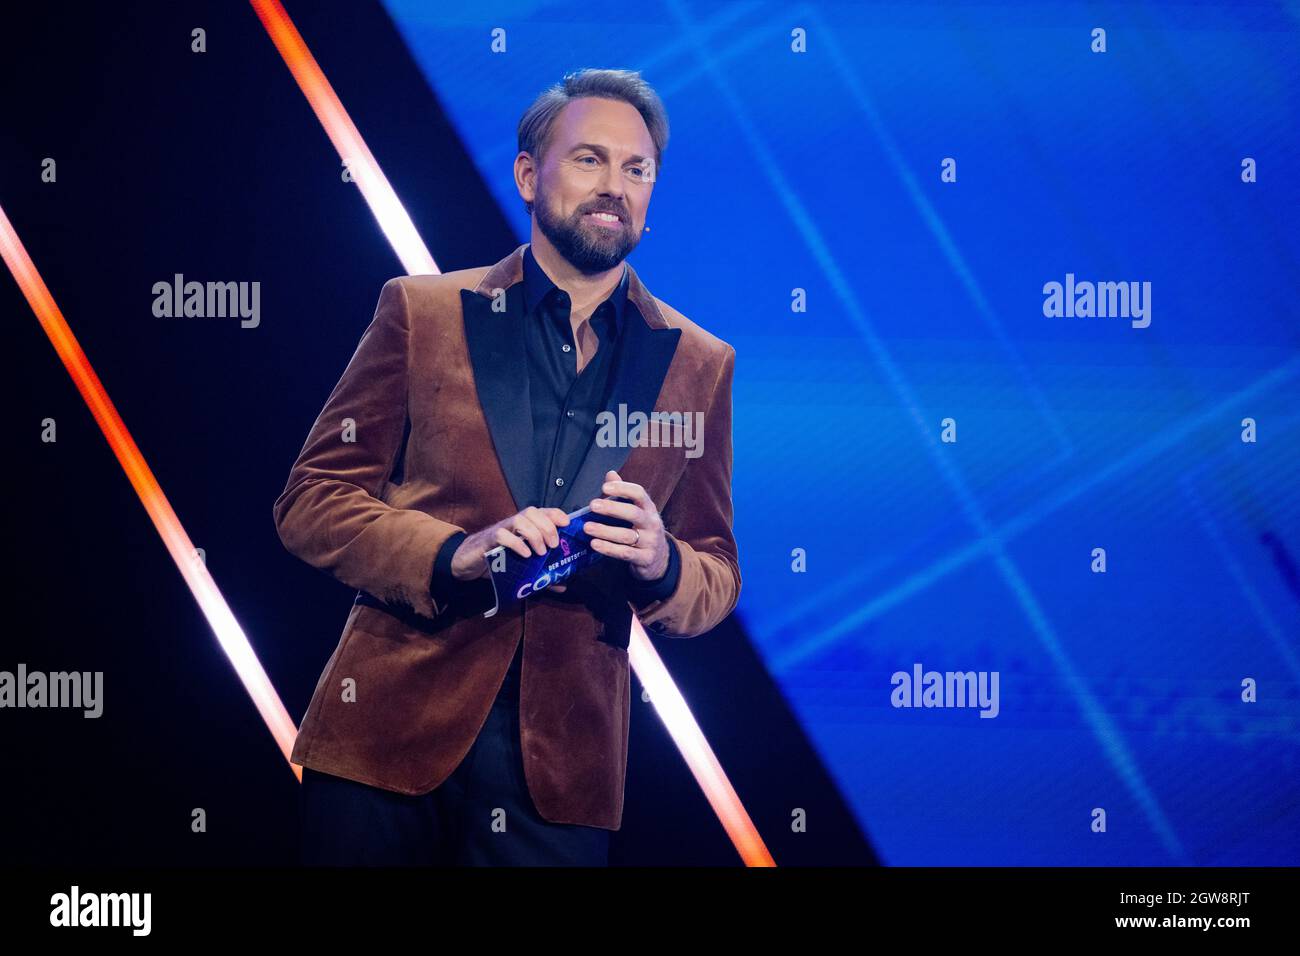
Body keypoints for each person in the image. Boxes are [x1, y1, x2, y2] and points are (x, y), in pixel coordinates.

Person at [275, 68, 740, 866]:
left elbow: (717, 572)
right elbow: (311, 500)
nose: (615, 187)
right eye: (590, 159)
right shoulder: (422, 313)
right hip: (384, 741)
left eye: (637, 170)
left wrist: (664, 565)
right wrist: (449, 552)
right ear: (529, 174)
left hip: (562, 778)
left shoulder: (700, 364)